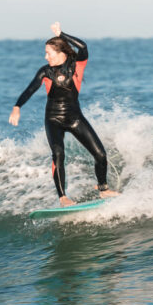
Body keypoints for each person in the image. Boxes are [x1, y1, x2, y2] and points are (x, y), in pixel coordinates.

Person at [9, 22, 119, 207]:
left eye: (48, 53)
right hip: (53, 119)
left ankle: (103, 189)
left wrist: (62, 34)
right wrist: (17, 106)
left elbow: (83, 47)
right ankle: (63, 198)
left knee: (100, 155)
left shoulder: (77, 65)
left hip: (75, 118)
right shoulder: (46, 71)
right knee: (58, 154)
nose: (46, 56)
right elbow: (30, 90)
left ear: (61, 53)